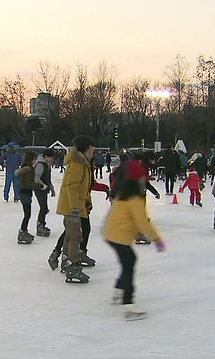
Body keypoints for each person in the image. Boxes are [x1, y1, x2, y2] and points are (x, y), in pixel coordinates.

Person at [104, 158, 166, 320]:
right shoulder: (135, 199)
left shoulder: (122, 193)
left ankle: (118, 289)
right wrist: (157, 239)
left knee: (127, 262)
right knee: (130, 262)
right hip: (120, 236)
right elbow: (143, 222)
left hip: (111, 234)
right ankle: (128, 303)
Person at [56, 135, 94, 284]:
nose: (93, 152)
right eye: (92, 149)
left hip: (76, 204)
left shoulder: (83, 163)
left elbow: (83, 187)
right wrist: (74, 208)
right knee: (75, 235)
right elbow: (71, 187)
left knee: (70, 235)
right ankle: (72, 265)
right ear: (85, 148)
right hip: (72, 206)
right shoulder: (78, 164)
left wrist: (87, 201)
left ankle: (66, 260)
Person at [16, 152, 48, 244]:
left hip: (24, 192)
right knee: (27, 214)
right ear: (31, 159)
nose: (35, 161)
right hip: (25, 193)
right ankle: (22, 232)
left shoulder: (25, 168)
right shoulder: (28, 169)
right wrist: (40, 186)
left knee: (27, 214)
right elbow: (29, 182)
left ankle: (24, 231)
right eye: (34, 159)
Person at [34, 149, 56, 237]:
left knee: (44, 208)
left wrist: (51, 188)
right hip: (39, 189)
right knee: (43, 208)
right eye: (50, 157)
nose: (51, 159)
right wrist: (43, 185)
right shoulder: (40, 164)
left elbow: (48, 178)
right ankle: (40, 225)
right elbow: (36, 178)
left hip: (44, 189)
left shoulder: (47, 164)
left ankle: (41, 224)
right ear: (46, 156)